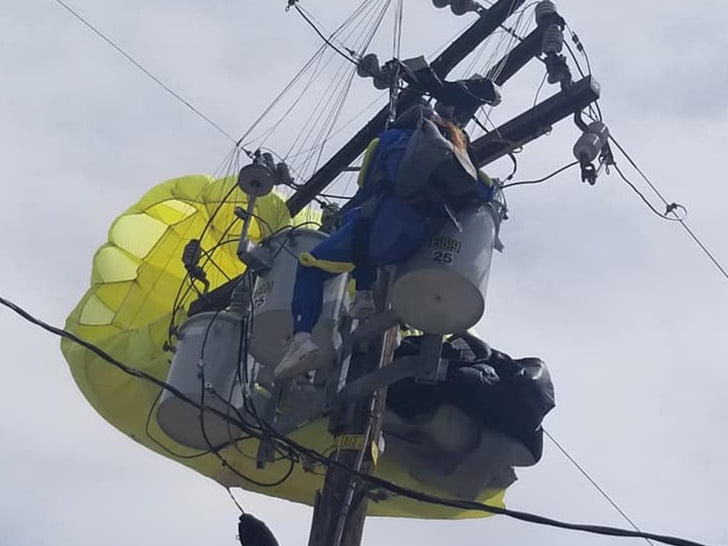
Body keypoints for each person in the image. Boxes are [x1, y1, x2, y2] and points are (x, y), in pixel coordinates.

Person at [275, 105, 496, 379]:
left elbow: (368, 185)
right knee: (374, 256)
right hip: (421, 236)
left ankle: (302, 340)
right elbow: (486, 189)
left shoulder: (389, 140)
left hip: (384, 223)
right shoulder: (455, 153)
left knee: (312, 264)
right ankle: (367, 298)